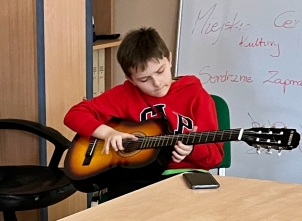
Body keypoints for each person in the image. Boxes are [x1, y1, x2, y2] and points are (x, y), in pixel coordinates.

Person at [64, 27, 224, 199]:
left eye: (160, 71)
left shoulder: (196, 95)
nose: (156, 83)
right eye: (144, 79)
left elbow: (216, 157)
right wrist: (108, 133)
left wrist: (192, 149)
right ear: (131, 80)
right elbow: (74, 115)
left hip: (185, 175)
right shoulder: (125, 95)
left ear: (169, 59)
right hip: (136, 177)